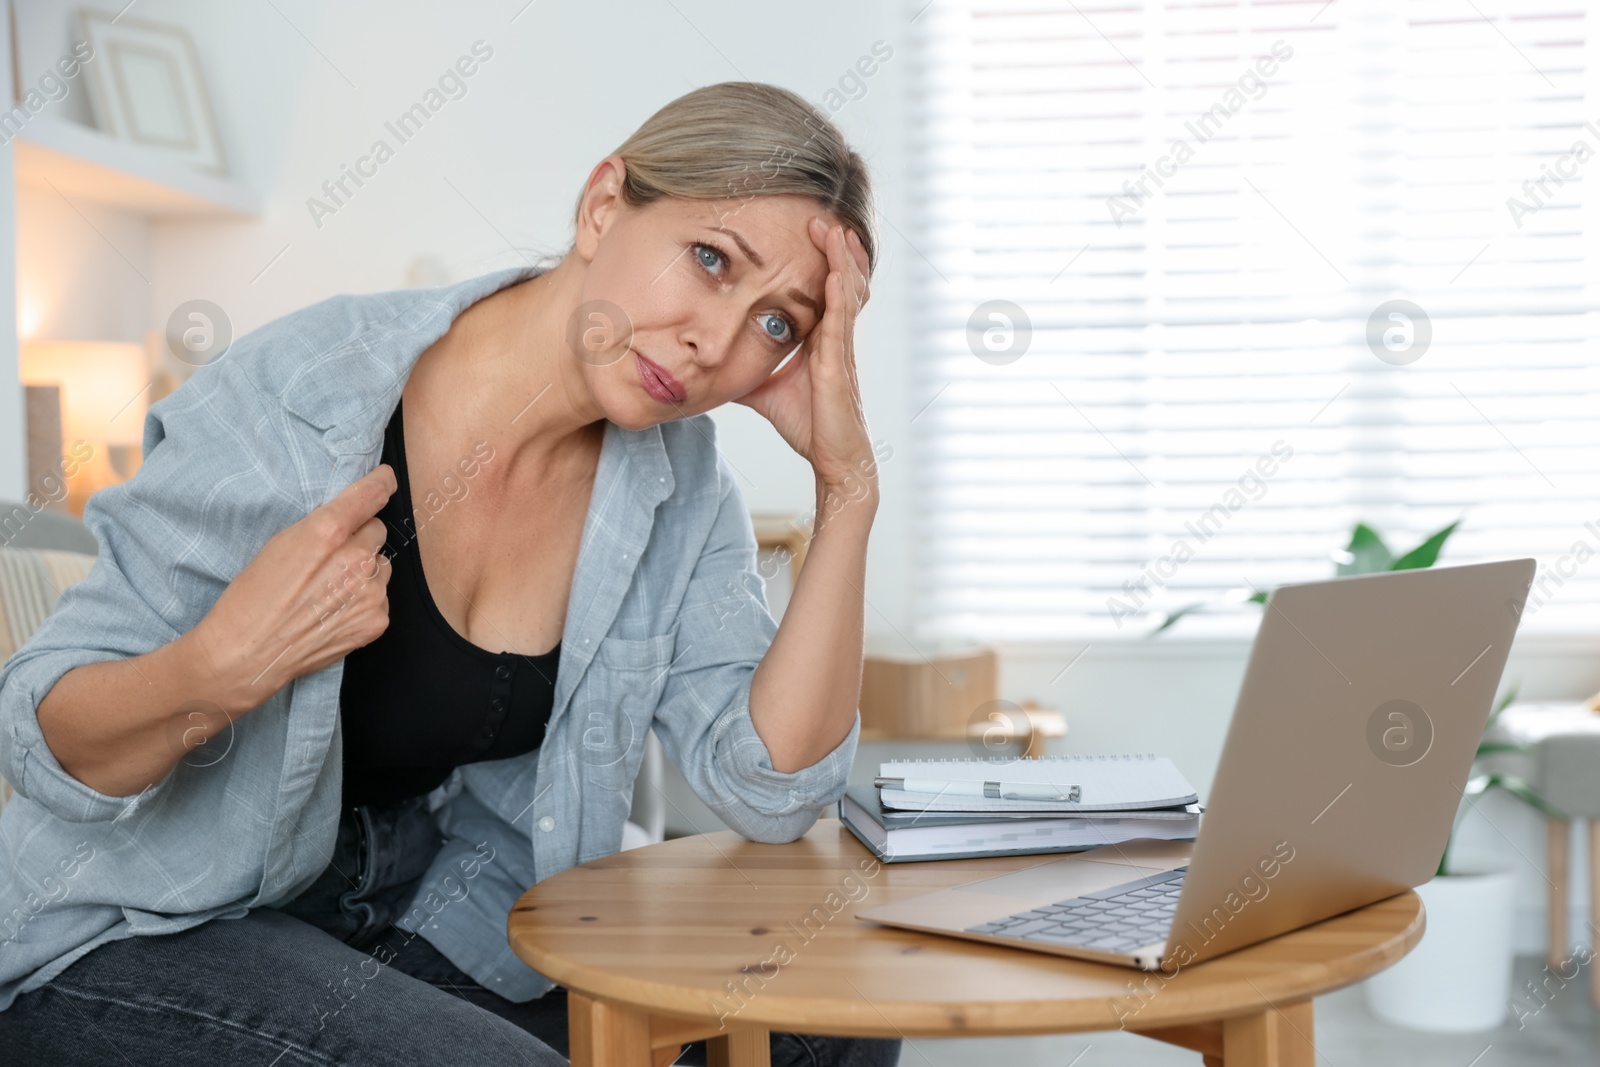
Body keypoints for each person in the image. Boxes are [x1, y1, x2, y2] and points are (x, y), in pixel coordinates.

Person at [0, 80, 898, 1066]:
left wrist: (846, 485)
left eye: (779, 323)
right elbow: (46, 745)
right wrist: (221, 666)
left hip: (418, 912)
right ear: (605, 204)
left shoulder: (678, 486)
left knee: (832, 1024)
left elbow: (769, 791)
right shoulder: (300, 399)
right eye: (711, 259)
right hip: (153, 922)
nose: (717, 343)